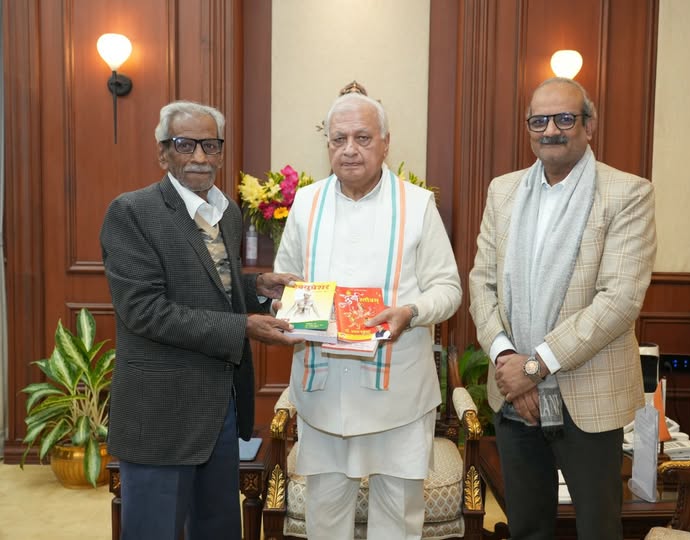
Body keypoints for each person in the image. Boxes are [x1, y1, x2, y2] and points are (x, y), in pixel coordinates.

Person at [100, 100, 304, 540]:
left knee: (218, 529)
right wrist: (245, 327)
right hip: (162, 416)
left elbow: (212, 286)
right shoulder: (132, 212)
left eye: (209, 145)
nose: (199, 157)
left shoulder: (226, 212)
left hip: (220, 410)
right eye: (185, 144)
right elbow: (145, 311)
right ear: (163, 153)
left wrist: (257, 287)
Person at [469, 77, 657, 539]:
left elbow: (618, 302)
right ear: (529, 127)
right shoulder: (503, 191)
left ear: (588, 125)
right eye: (539, 120)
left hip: (587, 398)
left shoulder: (627, 193)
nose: (551, 129)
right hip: (514, 394)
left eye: (565, 118)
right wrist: (506, 359)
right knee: (527, 527)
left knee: (598, 529)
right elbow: (481, 282)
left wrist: (534, 366)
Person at [274, 92, 461, 540]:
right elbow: (285, 283)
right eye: (339, 139)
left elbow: (449, 290)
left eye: (362, 137)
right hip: (324, 391)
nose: (349, 149)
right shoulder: (306, 202)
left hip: (397, 393)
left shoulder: (418, 205)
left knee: (396, 521)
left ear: (385, 143)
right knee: (326, 518)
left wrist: (411, 312)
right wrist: (285, 307)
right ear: (328, 146)